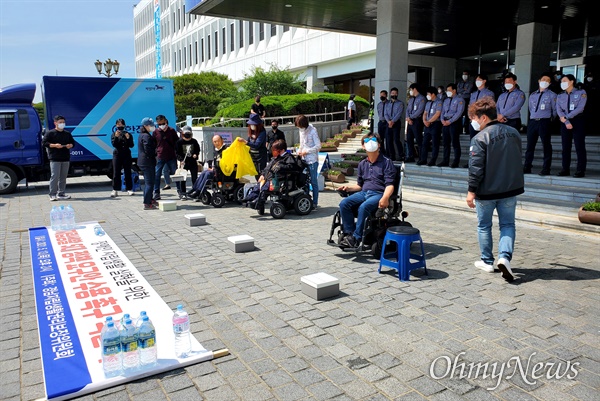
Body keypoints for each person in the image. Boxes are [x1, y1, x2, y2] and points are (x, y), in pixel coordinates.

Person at [466, 98, 524, 282]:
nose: (472, 122)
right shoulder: (514, 133)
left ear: (483, 118)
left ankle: (487, 261)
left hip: (487, 191)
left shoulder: (480, 138)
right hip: (509, 189)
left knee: (484, 226)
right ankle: (504, 257)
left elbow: (476, 168)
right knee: (507, 225)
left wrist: (471, 191)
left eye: (473, 118)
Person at [337, 133, 396, 249]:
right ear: (363, 146)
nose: (370, 142)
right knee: (344, 203)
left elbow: (390, 185)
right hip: (364, 193)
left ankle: (356, 238)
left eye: (373, 140)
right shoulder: (362, 164)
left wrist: (385, 198)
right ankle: (349, 234)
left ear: (379, 145)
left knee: (364, 207)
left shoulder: (386, 162)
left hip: (378, 193)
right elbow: (359, 185)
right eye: (367, 141)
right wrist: (348, 188)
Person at [241, 139, 303, 208]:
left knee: (265, 187)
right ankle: (250, 198)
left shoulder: (288, 157)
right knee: (258, 186)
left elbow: (292, 167)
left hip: (280, 179)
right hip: (269, 178)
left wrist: (281, 166)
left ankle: (258, 201)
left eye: (275, 150)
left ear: (281, 150)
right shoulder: (275, 158)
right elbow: (267, 168)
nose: (273, 152)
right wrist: (263, 175)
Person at [523, 72, 557, 176]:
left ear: (550, 83)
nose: (545, 82)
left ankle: (546, 168)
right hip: (533, 121)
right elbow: (530, 108)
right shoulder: (533, 95)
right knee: (530, 146)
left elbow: (555, 110)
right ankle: (527, 166)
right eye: (543, 80)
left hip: (544, 121)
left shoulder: (552, 95)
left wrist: (549, 120)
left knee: (546, 145)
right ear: (539, 81)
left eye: (547, 81)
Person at [556, 74, 587, 177]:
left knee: (579, 146)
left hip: (577, 120)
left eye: (564, 80)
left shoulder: (581, 93)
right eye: (561, 81)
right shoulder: (560, 95)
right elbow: (559, 109)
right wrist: (566, 121)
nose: (562, 83)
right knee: (565, 147)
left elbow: (580, 108)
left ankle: (580, 170)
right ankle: (565, 169)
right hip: (564, 122)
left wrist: (567, 117)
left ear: (571, 81)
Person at [462, 74, 496, 167]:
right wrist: (470, 116)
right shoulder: (473, 93)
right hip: (474, 121)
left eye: (479, 80)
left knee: (484, 141)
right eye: (476, 80)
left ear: (484, 81)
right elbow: (470, 106)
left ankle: (484, 162)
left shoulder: (489, 93)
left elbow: (490, 108)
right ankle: (472, 161)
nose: (477, 82)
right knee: (473, 141)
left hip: (483, 121)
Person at [42, 115, 75, 201]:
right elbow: (44, 143)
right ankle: (52, 194)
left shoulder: (67, 133)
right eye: (60, 122)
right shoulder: (50, 133)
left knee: (63, 177)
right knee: (55, 176)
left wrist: (70, 145)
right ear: (55, 123)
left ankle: (61, 193)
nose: (62, 124)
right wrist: (54, 145)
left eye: (63, 122)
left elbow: (73, 143)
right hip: (54, 158)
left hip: (65, 158)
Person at [188, 135, 228, 200]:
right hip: (217, 169)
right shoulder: (216, 150)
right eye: (215, 142)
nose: (216, 143)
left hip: (223, 171)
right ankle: (194, 189)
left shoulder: (226, 149)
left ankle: (198, 191)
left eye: (218, 141)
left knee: (208, 174)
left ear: (222, 141)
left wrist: (214, 169)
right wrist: (212, 168)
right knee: (204, 172)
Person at [296, 114, 321, 209]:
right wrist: (299, 150)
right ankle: (306, 199)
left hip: (312, 160)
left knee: (313, 181)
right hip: (303, 159)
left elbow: (318, 146)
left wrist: (308, 151)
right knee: (304, 181)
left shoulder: (313, 131)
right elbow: (302, 144)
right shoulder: (301, 131)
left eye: (300, 126)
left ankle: (315, 202)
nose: (300, 128)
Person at [152, 115, 179, 200]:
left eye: (163, 123)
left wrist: (177, 154)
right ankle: (156, 192)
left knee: (176, 175)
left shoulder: (171, 131)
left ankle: (180, 191)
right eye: (159, 124)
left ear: (166, 121)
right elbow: (153, 144)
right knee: (157, 175)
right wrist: (156, 152)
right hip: (160, 156)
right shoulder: (156, 132)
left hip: (171, 156)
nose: (161, 125)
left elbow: (177, 142)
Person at [438, 83, 464, 168]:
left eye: (449, 90)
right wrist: (442, 120)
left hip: (454, 122)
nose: (448, 92)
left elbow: (459, 113)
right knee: (446, 143)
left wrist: (450, 121)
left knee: (455, 142)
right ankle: (445, 160)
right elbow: (442, 112)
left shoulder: (460, 100)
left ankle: (456, 161)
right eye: (447, 90)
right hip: (445, 122)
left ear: (454, 90)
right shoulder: (446, 100)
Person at [418, 86, 443, 166]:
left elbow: (437, 113)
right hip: (427, 125)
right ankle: (423, 159)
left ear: (433, 94)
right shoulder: (428, 103)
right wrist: (425, 121)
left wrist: (429, 121)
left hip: (435, 124)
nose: (427, 95)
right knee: (425, 142)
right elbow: (425, 113)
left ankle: (433, 160)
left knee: (435, 143)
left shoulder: (439, 102)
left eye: (428, 94)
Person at [110, 118, 135, 198]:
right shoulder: (114, 134)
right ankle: (115, 189)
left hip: (126, 154)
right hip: (117, 154)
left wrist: (128, 138)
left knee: (128, 171)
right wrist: (116, 137)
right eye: (118, 124)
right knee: (116, 172)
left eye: (121, 124)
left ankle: (129, 189)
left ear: (124, 125)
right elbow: (114, 144)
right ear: (116, 125)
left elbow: (131, 145)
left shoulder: (128, 134)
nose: (120, 126)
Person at [175, 126, 200, 200]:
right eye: (186, 134)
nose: (187, 135)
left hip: (193, 162)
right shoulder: (179, 142)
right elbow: (177, 153)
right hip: (184, 163)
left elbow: (197, 149)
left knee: (194, 178)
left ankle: (195, 193)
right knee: (183, 179)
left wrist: (196, 154)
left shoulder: (194, 141)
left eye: (189, 134)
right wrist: (181, 160)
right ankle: (183, 193)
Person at [138, 117, 158, 210]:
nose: (152, 127)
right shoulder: (146, 136)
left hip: (144, 161)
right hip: (147, 162)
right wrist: (155, 152)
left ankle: (150, 198)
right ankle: (147, 202)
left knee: (149, 182)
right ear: (145, 126)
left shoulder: (142, 134)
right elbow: (148, 150)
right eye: (151, 125)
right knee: (149, 183)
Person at [405, 83, 426, 163]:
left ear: (415, 89)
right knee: (409, 139)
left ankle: (421, 157)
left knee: (418, 139)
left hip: (417, 121)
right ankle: (410, 156)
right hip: (410, 121)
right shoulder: (411, 99)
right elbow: (407, 109)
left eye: (411, 90)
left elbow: (420, 110)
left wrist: (411, 117)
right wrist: (408, 118)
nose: (410, 91)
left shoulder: (422, 99)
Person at [384, 87, 405, 161]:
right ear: (390, 94)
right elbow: (385, 113)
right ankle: (391, 155)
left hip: (396, 123)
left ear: (397, 94)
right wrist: (389, 121)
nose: (394, 95)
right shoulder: (387, 104)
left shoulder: (400, 103)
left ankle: (401, 155)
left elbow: (399, 114)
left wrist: (392, 121)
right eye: (393, 93)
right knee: (389, 140)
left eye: (395, 93)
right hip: (388, 123)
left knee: (396, 140)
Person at [376, 90, 388, 155]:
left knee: (387, 138)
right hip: (381, 122)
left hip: (387, 122)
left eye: (383, 95)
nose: (381, 96)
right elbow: (379, 113)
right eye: (380, 95)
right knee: (380, 138)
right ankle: (382, 151)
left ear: (386, 95)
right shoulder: (379, 104)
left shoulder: (389, 104)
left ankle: (388, 153)